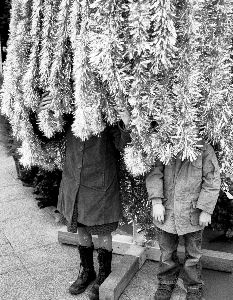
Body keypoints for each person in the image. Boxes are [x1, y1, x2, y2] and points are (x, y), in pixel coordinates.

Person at [38, 94, 131, 300]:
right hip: (75, 181)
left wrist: (127, 122)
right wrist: (45, 113)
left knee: (103, 229)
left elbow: (123, 145)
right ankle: (87, 270)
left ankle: (105, 273)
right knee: (80, 226)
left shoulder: (107, 113)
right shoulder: (69, 109)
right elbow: (49, 135)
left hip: (100, 182)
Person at [146, 142, 221, 300]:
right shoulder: (163, 143)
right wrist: (156, 201)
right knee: (166, 252)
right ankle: (166, 281)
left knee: (193, 254)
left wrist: (206, 210)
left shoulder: (204, 148)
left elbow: (212, 179)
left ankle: (194, 285)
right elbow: (154, 173)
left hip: (192, 213)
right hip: (167, 211)